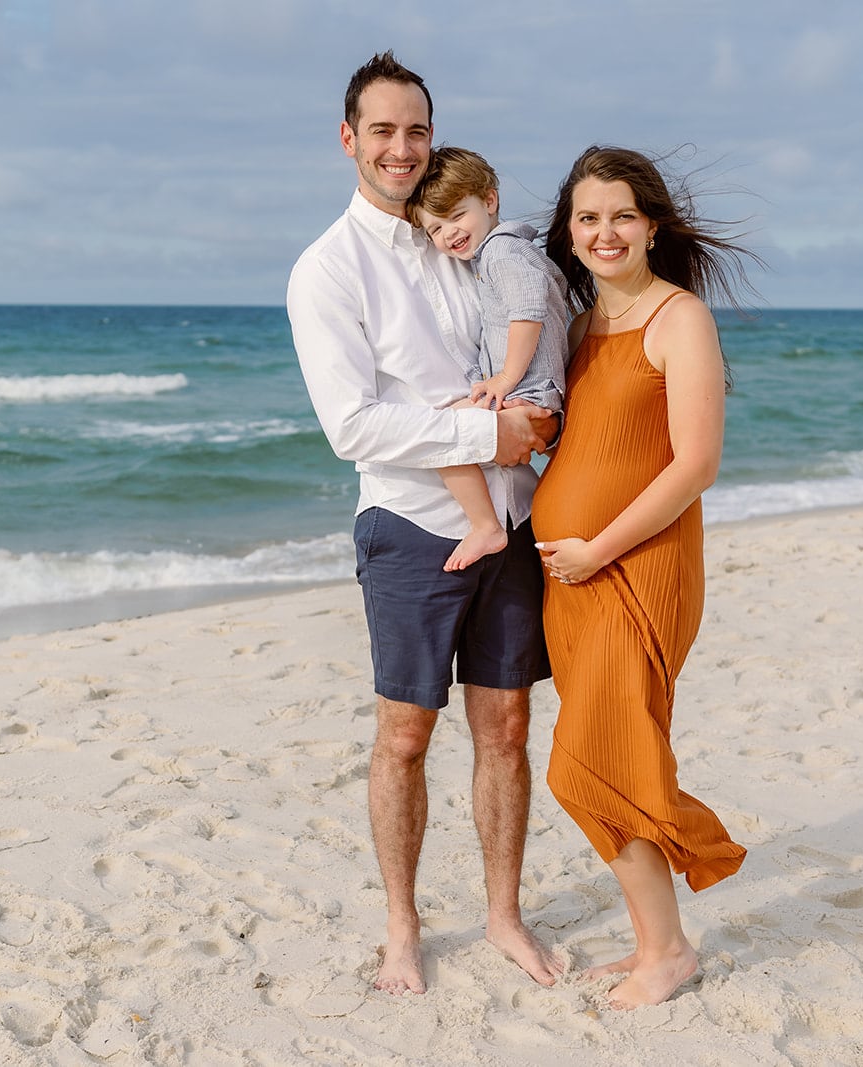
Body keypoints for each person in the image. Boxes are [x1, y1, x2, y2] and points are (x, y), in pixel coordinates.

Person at [285, 51, 564, 997]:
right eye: (382, 131)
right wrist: (494, 428)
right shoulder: (328, 268)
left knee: (509, 727)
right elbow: (351, 424)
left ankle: (503, 915)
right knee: (405, 737)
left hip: (514, 518)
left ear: (432, 138)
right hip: (409, 524)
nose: (400, 148)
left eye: (416, 130)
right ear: (349, 139)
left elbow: (532, 336)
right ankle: (402, 928)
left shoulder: (471, 237)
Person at [532, 145, 754, 1009]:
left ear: (652, 224)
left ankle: (669, 946)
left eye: (621, 214)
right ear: (572, 233)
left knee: (586, 763)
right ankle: (655, 943)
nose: (604, 231)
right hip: (571, 583)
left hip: (636, 571)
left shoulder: (679, 319)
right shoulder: (583, 326)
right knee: (615, 755)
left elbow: (694, 465)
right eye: (588, 218)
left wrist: (597, 549)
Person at [406, 146, 571, 571]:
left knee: (442, 432)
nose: (449, 233)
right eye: (435, 229)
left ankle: (485, 527)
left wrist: (504, 378)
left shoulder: (501, 253)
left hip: (527, 387)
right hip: (536, 388)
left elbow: (528, 311)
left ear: (490, 200)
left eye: (457, 216)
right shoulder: (502, 253)